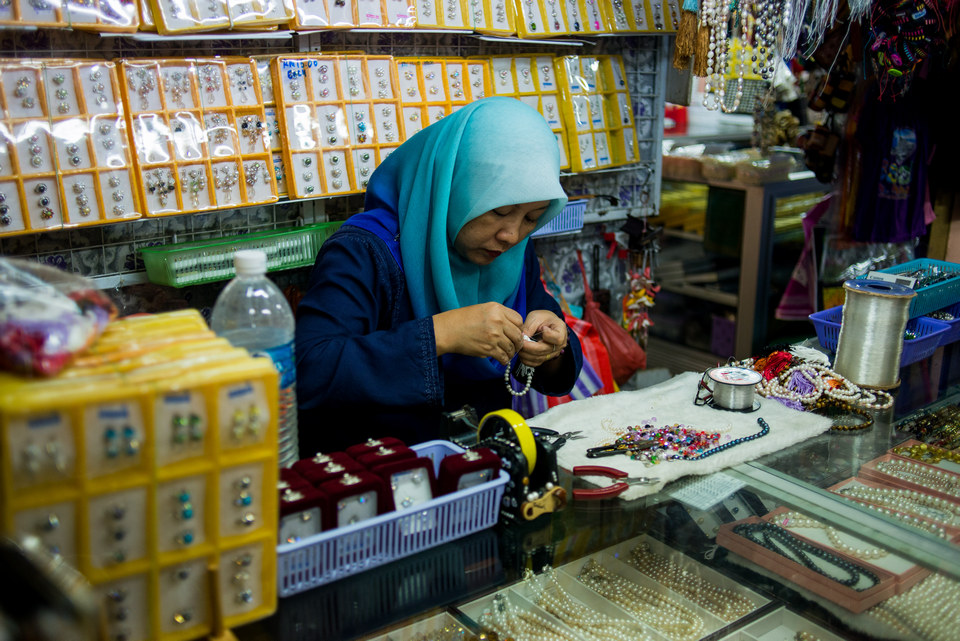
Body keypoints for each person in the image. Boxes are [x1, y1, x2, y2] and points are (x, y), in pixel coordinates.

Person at [295, 97, 584, 455]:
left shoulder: (509, 253)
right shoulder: (364, 252)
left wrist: (550, 346)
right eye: (499, 211)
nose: (511, 234)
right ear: (453, 185)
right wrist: (440, 335)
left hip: (481, 468)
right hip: (380, 473)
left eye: (531, 218)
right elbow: (309, 370)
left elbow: (545, 336)